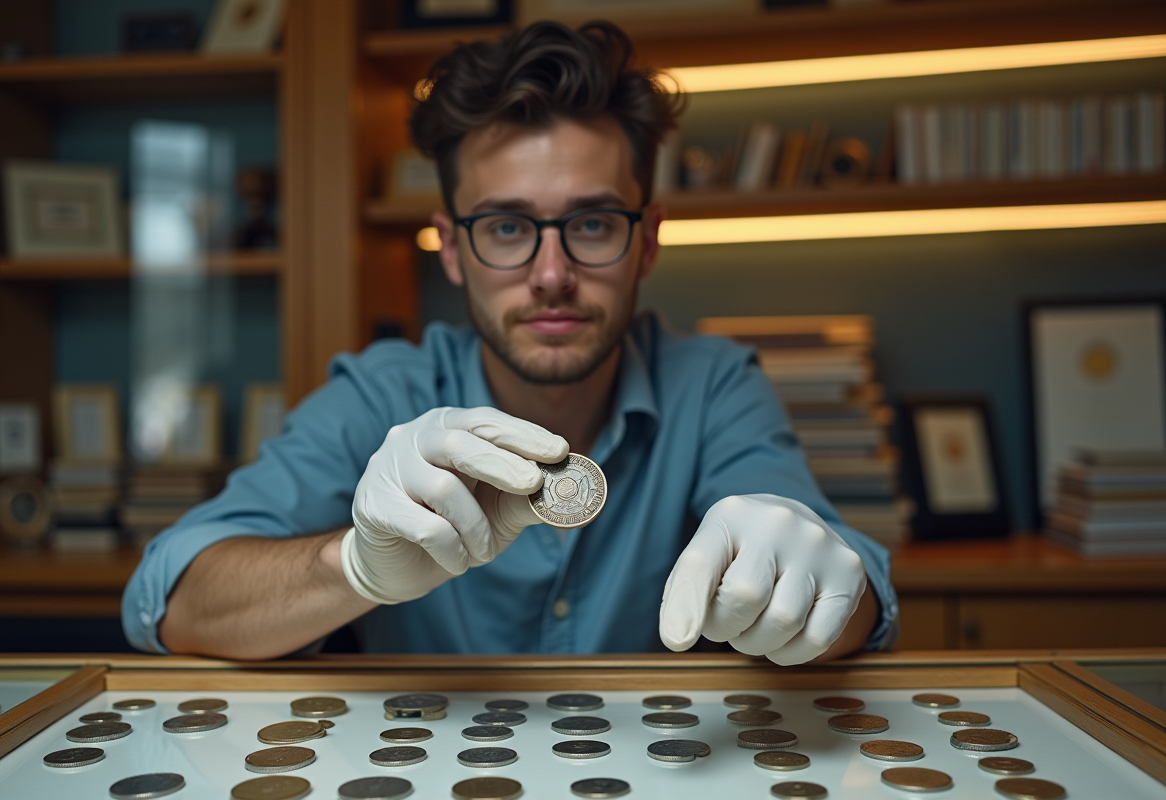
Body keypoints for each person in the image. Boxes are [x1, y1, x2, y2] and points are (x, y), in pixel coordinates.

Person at [122, 20, 897, 665]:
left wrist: (826, 588)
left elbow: (852, 600)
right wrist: (352, 565)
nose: (552, 274)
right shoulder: (382, 394)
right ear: (452, 250)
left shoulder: (715, 386)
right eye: (506, 227)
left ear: (648, 242)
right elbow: (172, 599)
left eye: (592, 223)